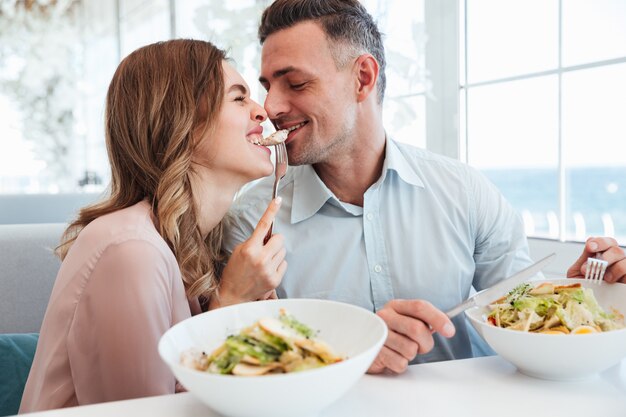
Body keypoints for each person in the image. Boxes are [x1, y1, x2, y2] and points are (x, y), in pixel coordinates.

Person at [222, 0, 626, 375]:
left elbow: (518, 313)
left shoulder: (465, 193)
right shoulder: (251, 224)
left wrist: (578, 296)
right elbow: (248, 364)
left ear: (362, 78)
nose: (271, 107)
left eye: (294, 84)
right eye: (267, 85)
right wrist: (351, 350)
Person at [20, 39, 287, 412]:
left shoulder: (184, 244)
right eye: (239, 99)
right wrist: (231, 303)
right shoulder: (130, 251)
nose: (263, 111)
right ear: (184, 121)